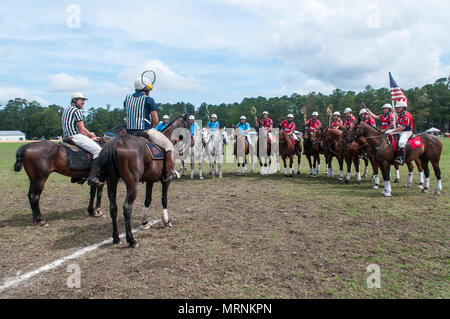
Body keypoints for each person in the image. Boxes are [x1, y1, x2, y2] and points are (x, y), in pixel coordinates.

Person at [123, 75, 180, 182]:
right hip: (145, 130)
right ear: (145, 88)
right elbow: (156, 119)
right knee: (169, 146)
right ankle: (169, 172)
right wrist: (152, 128)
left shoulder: (127, 98)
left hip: (129, 132)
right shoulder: (148, 99)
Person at [61, 92, 103, 185]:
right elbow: (82, 129)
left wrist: (89, 135)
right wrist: (92, 136)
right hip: (75, 136)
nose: (83, 102)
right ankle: (93, 177)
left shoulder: (66, 109)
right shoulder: (76, 111)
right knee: (98, 150)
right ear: (74, 100)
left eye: (84, 100)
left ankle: (78, 176)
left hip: (66, 137)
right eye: (81, 100)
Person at [387, 100, 413, 165]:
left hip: (406, 131)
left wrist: (393, 130)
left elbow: (403, 127)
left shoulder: (407, 115)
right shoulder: (401, 114)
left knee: (401, 142)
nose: (398, 108)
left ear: (403, 107)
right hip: (400, 131)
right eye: (397, 108)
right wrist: (395, 113)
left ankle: (401, 158)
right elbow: (397, 121)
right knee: (387, 133)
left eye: (399, 107)